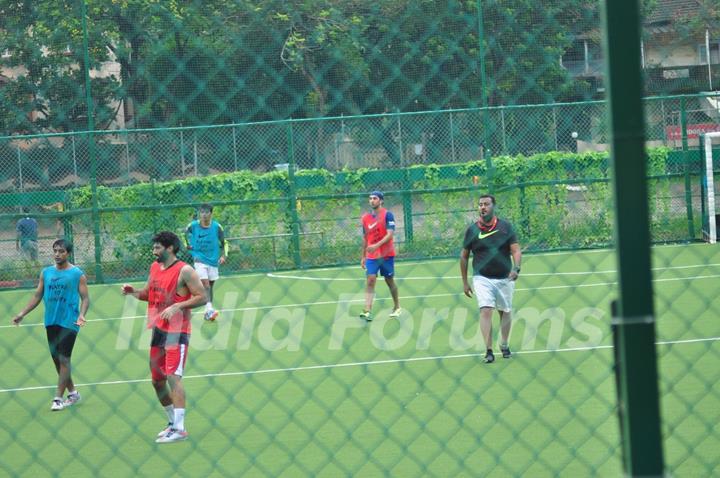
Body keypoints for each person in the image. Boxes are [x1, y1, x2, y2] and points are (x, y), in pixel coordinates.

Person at [122, 231, 206, 443]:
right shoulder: (154, 267)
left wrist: (178, 305)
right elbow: (148, 294)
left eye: (158, 247)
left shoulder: (185, 271)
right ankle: (171, 423)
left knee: (172, 377)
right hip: (158, 330)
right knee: (157, 380)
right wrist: (133, 291)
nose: (154, 251)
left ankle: (180, 429)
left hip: (177, 332)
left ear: (170, 248)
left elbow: (202, 297)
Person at [11, 239, 89, 410]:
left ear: (68, 253)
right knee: (56, 359)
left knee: (64, 358)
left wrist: (82, 314)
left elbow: (85, 298)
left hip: (70, 321)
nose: (57, 254)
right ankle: (73, 393)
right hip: (51, 321)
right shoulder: (46, 273)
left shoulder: (77, 274)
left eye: (61, 251)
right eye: (55, 251)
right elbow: (37, 296)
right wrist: (22, 313)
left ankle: (58, 398)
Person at [460, 194, 521, 363]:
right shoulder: (472, 230)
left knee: (505, 311)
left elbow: (516, 250)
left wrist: (516, 268)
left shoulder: (506, 227)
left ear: (493, 206)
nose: (482, 207)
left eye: (486, 204)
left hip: (504, 277)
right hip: (482, 278)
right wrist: (465, 282)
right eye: (480, 204)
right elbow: (464, 256)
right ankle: (488, 350)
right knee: (486, 310)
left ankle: (504, 343)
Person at [360, 191, 401, 321]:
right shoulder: (365, 218)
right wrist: (363, 256)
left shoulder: (388, 215)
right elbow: (365, 238)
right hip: (372, 256)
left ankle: (397, 306)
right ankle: (367, 310)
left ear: (381, 201)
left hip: (386, 254)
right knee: (370, 280)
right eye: (370, 198)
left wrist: (376, 246)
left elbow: (390, 234)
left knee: (389, 281)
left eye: (375, 198)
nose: (372, 200)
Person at [184, 204, 227, 321]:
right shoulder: (193, 226)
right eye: (201, 212)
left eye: (206, 212)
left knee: (210, 286)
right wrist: (187, 245)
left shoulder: (217, 227)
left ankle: (208, 310)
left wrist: (224, 255)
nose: (204, 214)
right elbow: (183, 234)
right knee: (206, 285)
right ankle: (209, 310)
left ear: (211, 213)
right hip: (199, 260)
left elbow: (224, 242)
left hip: (213, 261)